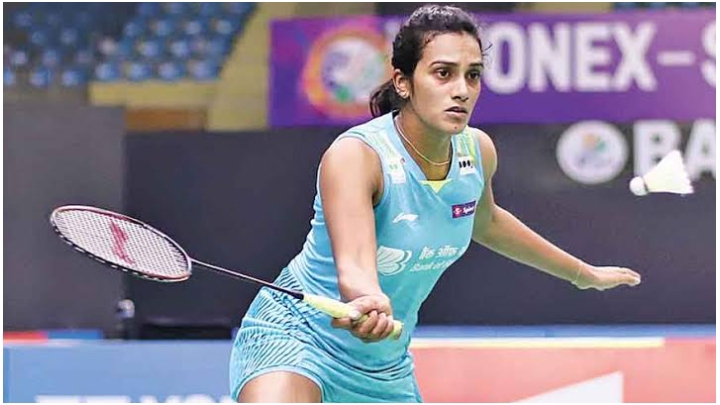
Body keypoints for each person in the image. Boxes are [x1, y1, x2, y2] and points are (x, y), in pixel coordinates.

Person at [229, 4, 641, 403]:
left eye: (472, 75)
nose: (461, 90)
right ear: (403, 82)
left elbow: (486, 222)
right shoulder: (357, 156)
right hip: (298, 334)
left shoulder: (476, 151)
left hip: (383, 367)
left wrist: (582, 274)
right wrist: (368, 298)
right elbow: (353, 261)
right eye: (443, 73)